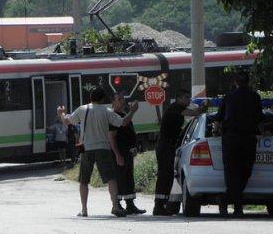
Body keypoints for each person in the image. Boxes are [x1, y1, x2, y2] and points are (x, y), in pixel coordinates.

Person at [58, 86, 139, 217]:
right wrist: (133, 111)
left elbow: (67, 121)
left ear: (90, 98)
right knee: (111, 178)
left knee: (84, 181)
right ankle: (115, 206)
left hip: (87, 148)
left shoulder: (83, 109)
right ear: (103, 98)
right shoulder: (107, 111)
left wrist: (61, 113)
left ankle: (84, 210)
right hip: (103, 149)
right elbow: (123, 122)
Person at [153, 89, 207, 215]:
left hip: (168, 145)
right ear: (179, 98)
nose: (189, 100)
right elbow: (194, 113)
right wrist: (203, 107)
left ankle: (162, 205)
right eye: (187, 97)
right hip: (165, 146)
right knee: (164, 175)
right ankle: (159, 206)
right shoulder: (175, 108)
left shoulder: (176, 109)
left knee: (167, 176)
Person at [216, 72, 262, 217]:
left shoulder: (228, 97)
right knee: (245, 172)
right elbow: (259, 118)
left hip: (230, 139)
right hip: (248, 139)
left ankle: (226, 200)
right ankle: (237, 207)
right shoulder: (255, 97)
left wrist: (216, 129)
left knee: (231, 173)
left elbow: (219, 118)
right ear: (248, 82)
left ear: (235, 82)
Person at [110, 92, 145, 214]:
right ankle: (117, 205)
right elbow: (112, 137)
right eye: (119, 99)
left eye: (123, 99)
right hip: (118, 152)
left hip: (128, 151)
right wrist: (117, 154)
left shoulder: (124, 114)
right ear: (113, 103)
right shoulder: (113, 116)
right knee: (119, 178)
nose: (122, 101)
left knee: (128, 178)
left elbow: (129, 129)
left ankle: (130, 205)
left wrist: (133, 147)